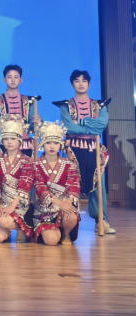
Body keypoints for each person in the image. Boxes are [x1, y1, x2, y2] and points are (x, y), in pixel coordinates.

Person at [53, 70, 114, 234]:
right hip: (73, 149)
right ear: (72, 84)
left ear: (89, 84)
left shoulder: (99, 105)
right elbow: (69, 127)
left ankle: (100, 220)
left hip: (94, 149)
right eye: (77, 81)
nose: (80, 83)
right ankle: (69, 220)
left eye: (84, 81)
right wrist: (89, 125)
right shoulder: (65, 105)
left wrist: (80, 122)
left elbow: (101, 125)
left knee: (97, 184)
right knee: (71, 184)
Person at [0, 115, 35, 243]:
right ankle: (7, 227)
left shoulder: (27, 161)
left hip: (20, 204)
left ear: (20, 140)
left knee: (4, 220)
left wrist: (12, 207)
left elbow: (24, 187)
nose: (9, 142)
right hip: (2, 202)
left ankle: (21, 228)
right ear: (2, 141)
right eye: (6, 138)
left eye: (13, 138)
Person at [33, 121, 81, 246]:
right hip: (45, 209)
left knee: (71, 215)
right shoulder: (35, 165)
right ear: (42, 144)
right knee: (52, 241)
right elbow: (40, 189)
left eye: (56, 143)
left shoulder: (69, 164)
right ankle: (53, 231)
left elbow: (74, 186)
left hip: (65, 204)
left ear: (60, 145)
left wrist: (68, 203)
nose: (52, 146)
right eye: (48, 142)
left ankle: (66, 233)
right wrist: (59, 203)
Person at [0, 64, 41, 158]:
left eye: (16, 77)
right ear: (4, 80)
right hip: (4, 144)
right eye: (9, 77)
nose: (13, 80)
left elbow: (35, 126)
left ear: (21, 80)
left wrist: (38, 122)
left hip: (25, 145)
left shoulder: (29, 101)